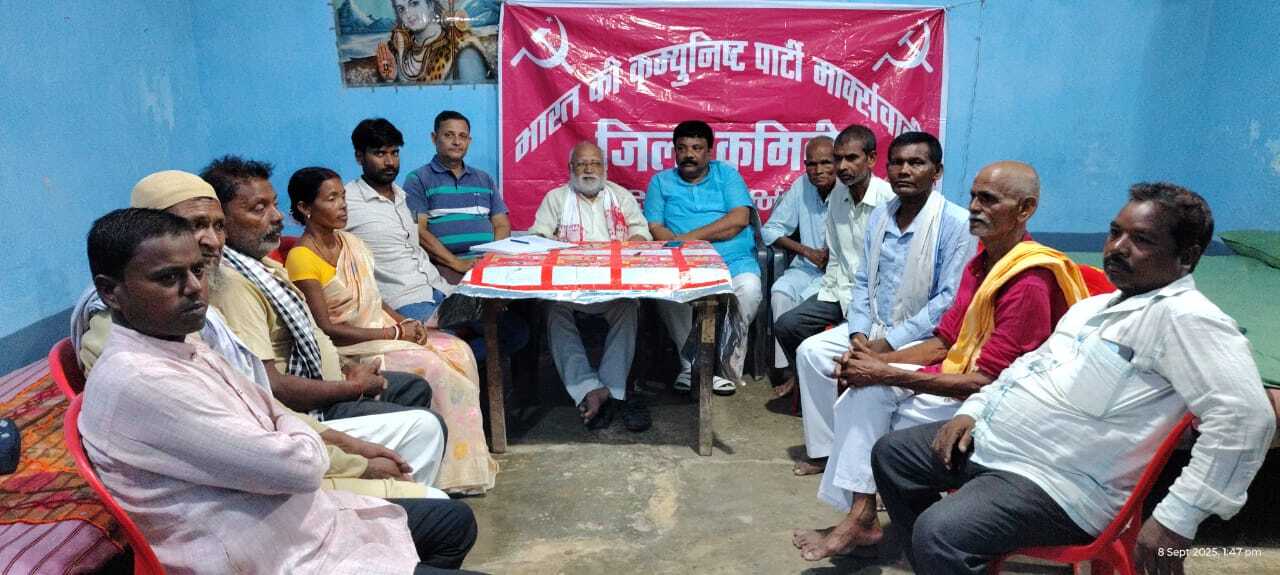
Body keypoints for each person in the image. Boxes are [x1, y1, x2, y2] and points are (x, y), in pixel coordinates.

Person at [871, 183, 1276, 574]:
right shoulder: (1093, 308)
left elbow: (1246, 418)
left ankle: (943, 553)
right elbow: (1025, 368)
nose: (1117, 247)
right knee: (892, 456)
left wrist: (1177, 519)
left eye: (1141, 240)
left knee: (940, 531)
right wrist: (972, 412)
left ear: (1185, 256)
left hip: (1059, 485)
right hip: (998, 446)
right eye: (1115, 232)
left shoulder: (1187, 320)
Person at [79, 208, 478, 574]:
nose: (195, 287)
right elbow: (299, 465)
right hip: (266, 553)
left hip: (293, 515)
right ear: (110, 291)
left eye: (197, 270)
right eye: (169, 278)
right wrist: (306, 437)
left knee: (454, 522)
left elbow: (267, 405)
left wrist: (294, 431)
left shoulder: (181, 342)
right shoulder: (143, 381)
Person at [70, 170, 446, 499]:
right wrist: (355, 456)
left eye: (218, 226)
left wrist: (346, 430)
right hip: (257, 475)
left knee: (420, 425)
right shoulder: (143, 340)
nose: (212, 241)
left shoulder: (199, 309)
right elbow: (253, 434)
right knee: (434, 493)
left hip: (286, 431)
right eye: (195, 226)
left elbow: (256, 395)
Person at [793, 161, 1091, 561]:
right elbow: (944, 341)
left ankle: (881, 520)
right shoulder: (981, 263)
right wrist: (876, 362)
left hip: (997, 404)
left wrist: (885, 371)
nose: (974, 207)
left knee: (880, 419)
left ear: (1025, 209)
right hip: (958, 378)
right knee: (863, 393)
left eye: (989, 199)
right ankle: (862, 516)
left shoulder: (1028, 281)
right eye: (973, 196)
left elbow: (988, 381)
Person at [287, 166, 499, 495]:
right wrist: (392, 335)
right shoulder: (301, 258)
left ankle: (465, 463)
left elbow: (374, 298)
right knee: (433, 368)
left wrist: (403, 323)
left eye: (343, 197)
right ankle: (445, 474)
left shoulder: (351, 243)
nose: (342, 205)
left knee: (458, 351)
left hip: (381, 331)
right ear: (305, 208)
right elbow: (326, 327)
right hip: (350, 349)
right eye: (331, 199)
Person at [793, 131, 975, 476]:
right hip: (873, 326)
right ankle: (826, 451)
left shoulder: (956, 224)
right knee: (811, 353)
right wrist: (859, 334)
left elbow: (947, 301)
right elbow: (863, 280)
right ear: (886, 168)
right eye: (897, 163)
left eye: (916, 163)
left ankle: (876, 467)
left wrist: (888, 343)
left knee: (873, 383)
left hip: (922, 337)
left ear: (936, 172)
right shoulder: (881, 215)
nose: (904, 170)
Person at [346, 118, 527, 363]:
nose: (389, 162)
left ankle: (457, 362)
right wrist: (455, 263)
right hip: (405, 301)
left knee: (515, 330)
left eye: (394, 153)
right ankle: (449, 362)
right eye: (380, 154)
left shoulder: (401, 197)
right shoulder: (348, 202)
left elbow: (501, 222)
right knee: (452, 347)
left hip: (440, 289)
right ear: (359, 157)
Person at [528, 141, 652, 431]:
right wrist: (551, 243)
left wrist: (629, 245)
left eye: (594, 163)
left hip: (614, 287)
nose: (588, 169)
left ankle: (607, 389)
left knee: (628, 309)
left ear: (604, 168)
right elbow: (537, 237)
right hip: (569, 288)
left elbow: (642, 232)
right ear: (571, 168)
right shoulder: (557, 198)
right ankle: (589, 387)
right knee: (554, 311)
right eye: (581, 164)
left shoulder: (620, 196)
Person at [772, 125, 894, 400]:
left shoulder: (889, 201)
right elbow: (836, 256)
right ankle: (807, 382)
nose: (842, 166)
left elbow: (894, 265)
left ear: (871, 159)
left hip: (876, 298)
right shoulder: (838, 196)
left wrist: (861, 306)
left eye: (851, 158)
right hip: (840, 289)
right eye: (838, 159)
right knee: (787, 325)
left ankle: (841, 391)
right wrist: (830, 293)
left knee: (860, 342)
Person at [644, 120, 763, 396]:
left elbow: (738, 219)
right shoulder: (660, 182)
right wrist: (682, 246)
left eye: (697, 148)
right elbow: (656, 227)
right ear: (674, 151)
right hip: (683, 263)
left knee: (749, 289)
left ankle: (723, 366)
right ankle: (692, 366)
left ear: (709, 152)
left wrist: (688, 238)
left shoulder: (727, 175)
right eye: (682, 148)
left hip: (733, 260)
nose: (689, 154)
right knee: (667, 291)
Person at [759, 136, 837, 390]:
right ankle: (787, 369)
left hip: (837, 275)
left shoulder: (849, 190)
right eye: (812, 164)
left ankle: (806, 373)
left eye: (826, 163)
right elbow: (770, 230)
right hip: (806, 266)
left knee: (804, 305)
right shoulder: (802, 185)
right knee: (780, 292)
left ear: (838, 162)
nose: (818, 170)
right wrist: (806, 251)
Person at [404, 111, 509, 282]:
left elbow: (502, 224)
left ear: (469, 141)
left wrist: (492, 258)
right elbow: (418, 231)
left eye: (463, 136)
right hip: (443, 266)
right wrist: (457, 263)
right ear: (434, 138)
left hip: (487, 264)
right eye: (449, 135)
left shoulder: (484, 179)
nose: (457, 142)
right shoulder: (418, 179)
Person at [377, 0, 493, 84]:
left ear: (431, 5)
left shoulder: (463, 53)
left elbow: (475, 102)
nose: (408, 14)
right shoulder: (400, 57)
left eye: (414, 3)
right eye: (401, 9)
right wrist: (390, 79)